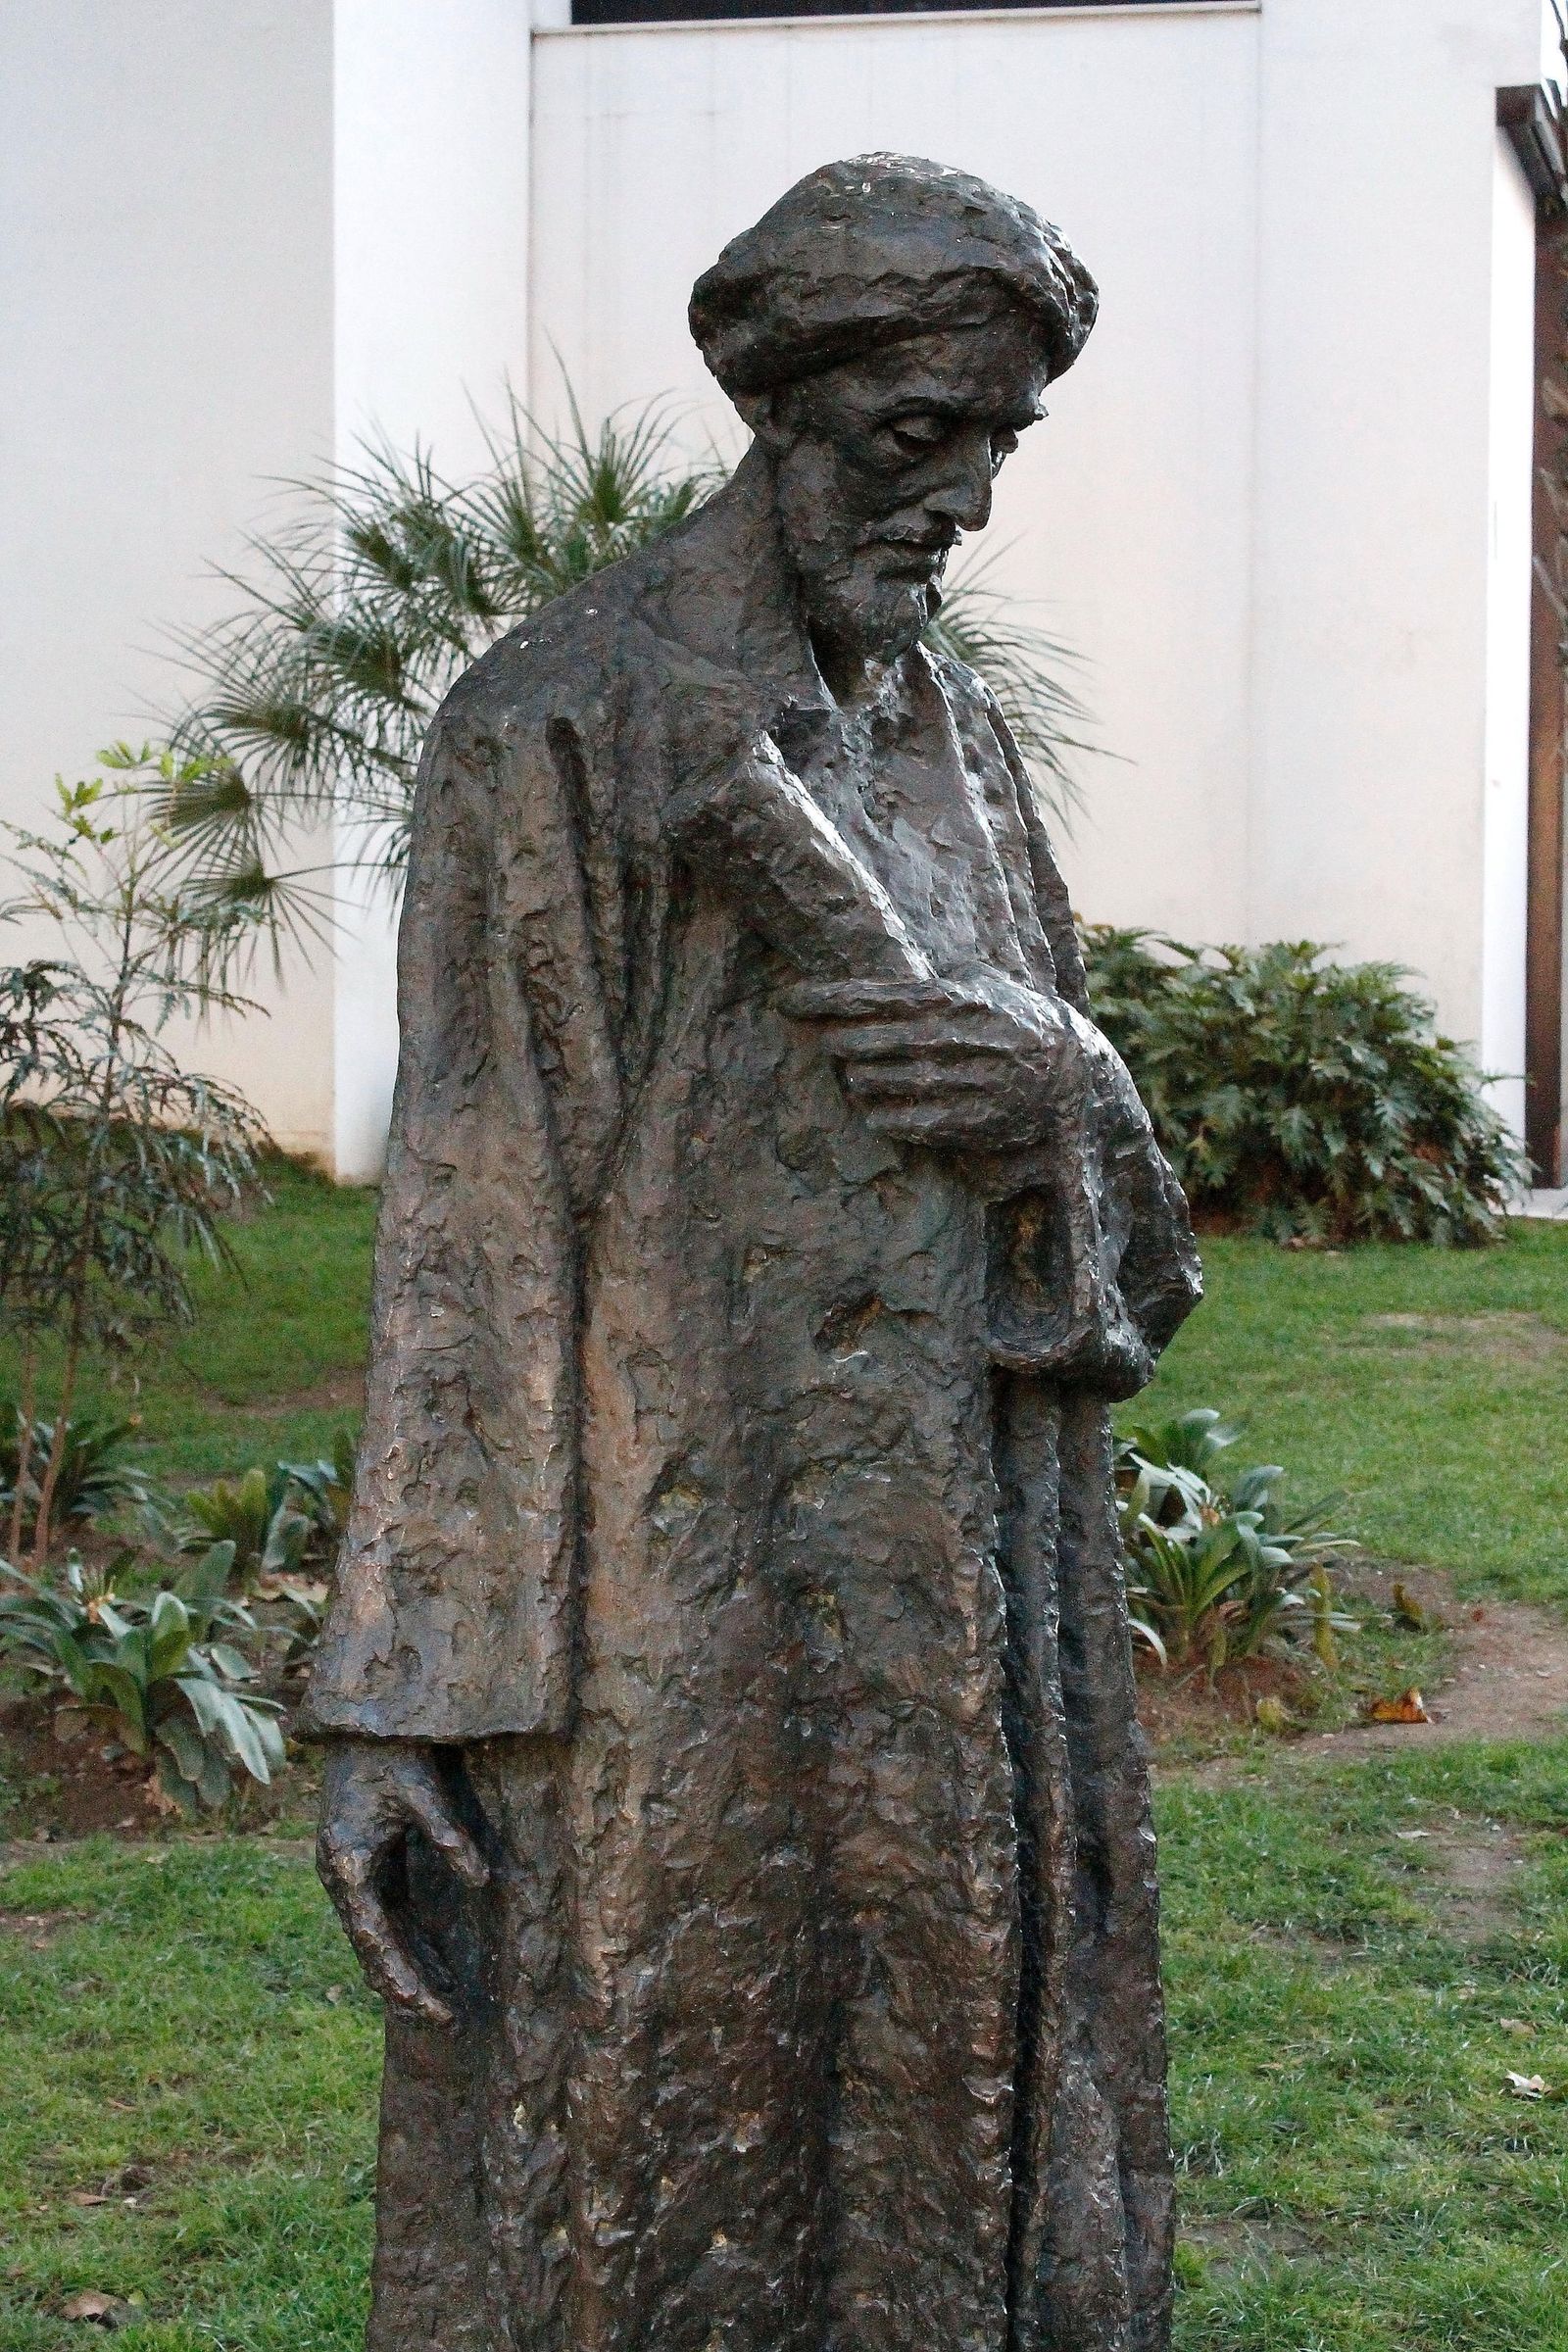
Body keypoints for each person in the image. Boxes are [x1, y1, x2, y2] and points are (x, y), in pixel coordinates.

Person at [304, 153, 1200, 2352]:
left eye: (1000, 441)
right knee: (673, 2093)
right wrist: (408, 1691)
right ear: (782, 416)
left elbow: (1084, 1148)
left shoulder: (945, 731)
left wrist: (1063, 1102)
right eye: (921, 437)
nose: (967, 500)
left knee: (955, 2086)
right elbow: (473, 1220)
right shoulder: (565, 721)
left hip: (968, 1569)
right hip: (682, 1586)